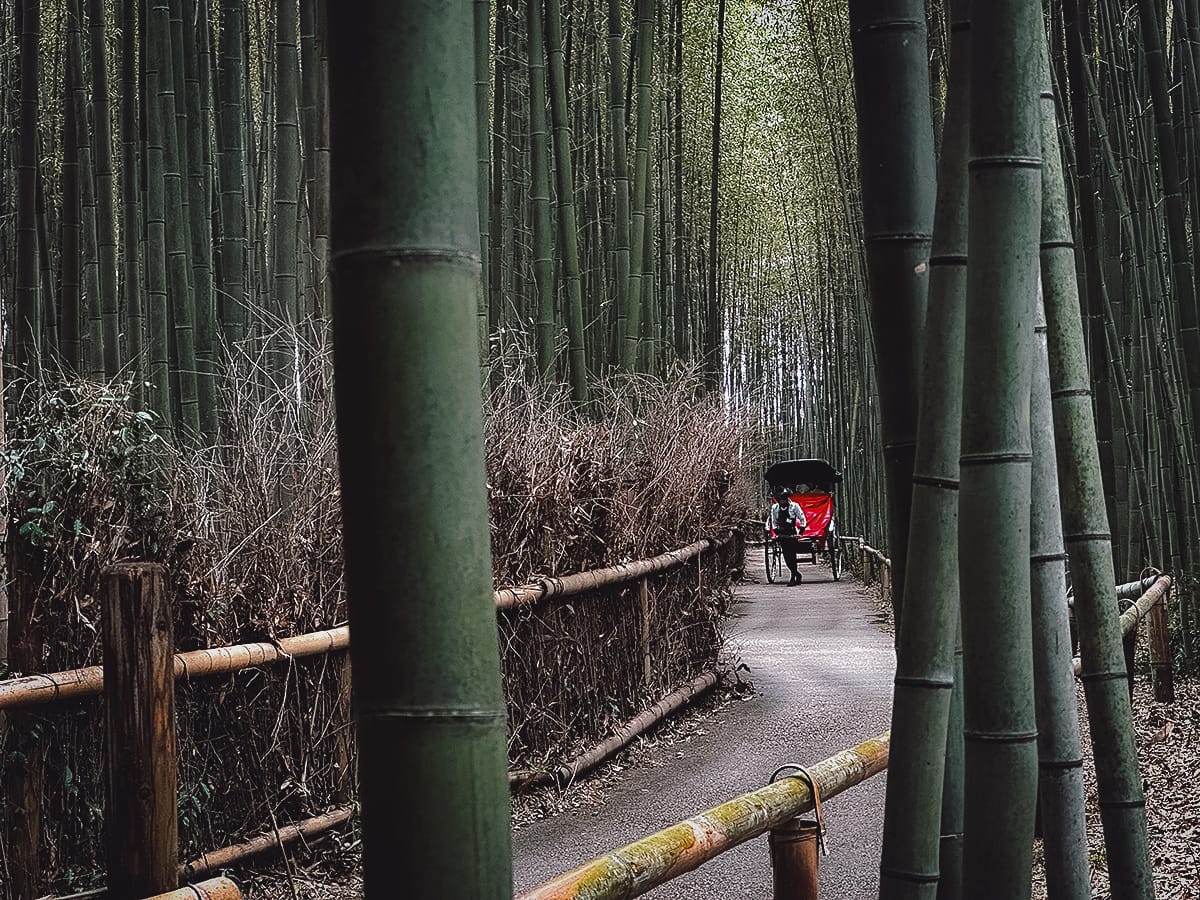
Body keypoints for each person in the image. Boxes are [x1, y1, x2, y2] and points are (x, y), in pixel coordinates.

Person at [769, 486, 807, 585]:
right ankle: (797, 574)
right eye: (780, 499)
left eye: (784, 498)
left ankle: (793, 577)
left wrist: (801, 533)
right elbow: (773, 522)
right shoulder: (775, 508)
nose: (782, 501)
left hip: (792, 533)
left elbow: (802, 518)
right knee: (786, 556)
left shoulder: (794, 506)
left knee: (792, 555)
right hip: (782, 534)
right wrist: (776, 534)